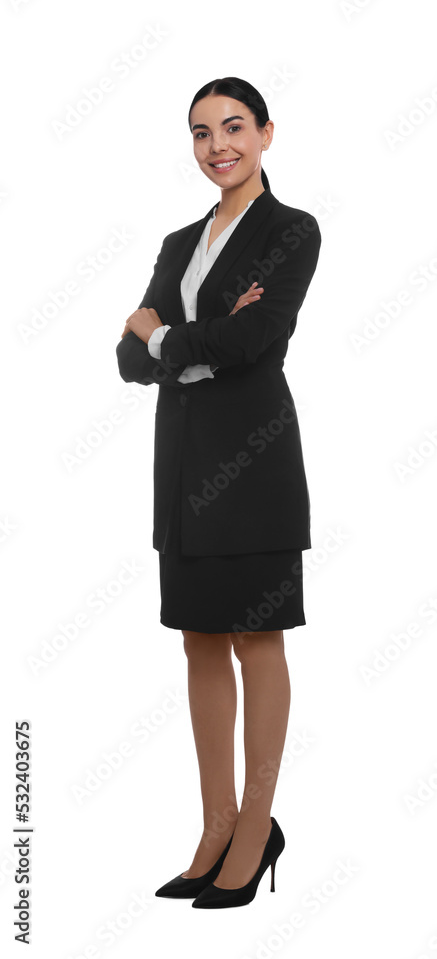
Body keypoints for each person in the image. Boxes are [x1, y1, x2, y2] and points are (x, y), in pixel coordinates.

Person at [116, 77, 321, 908]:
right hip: (183, 468)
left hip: (255, 462)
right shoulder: (178, 241)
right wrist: (184, 341)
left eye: (233, 127)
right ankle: (215, 825)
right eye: (201, 132)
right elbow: (127, 360)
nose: (216, 146)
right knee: (199, 640)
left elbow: (257, 339)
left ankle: (257, 827)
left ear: (266, 133)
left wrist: (164, 334)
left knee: (255, 641)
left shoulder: (290, 230)